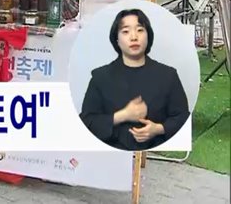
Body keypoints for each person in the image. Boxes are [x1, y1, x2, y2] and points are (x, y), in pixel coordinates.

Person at [80, 8, 190, 151]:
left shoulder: (168, 75)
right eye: (125, 31)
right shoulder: (101, 77)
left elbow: (182, 117)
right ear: (117, 40)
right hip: (110, 153)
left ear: (148, 36)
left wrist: (159, 129)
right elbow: (87, 122)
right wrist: (122, 115)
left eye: (140, 30)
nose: (134, 37)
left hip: (156, 154)